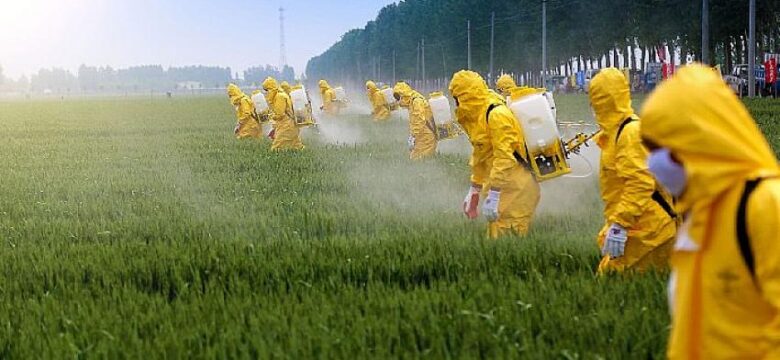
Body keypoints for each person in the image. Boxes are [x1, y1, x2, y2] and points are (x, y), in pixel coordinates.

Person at [640, 64, 780, 359]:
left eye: (661, 149)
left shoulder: (765, 205)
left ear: (698, 141)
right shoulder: (699, 216)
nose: (653, 163)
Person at [588, 68, 677, 273]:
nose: (592, 106)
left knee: (612, 286)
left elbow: (640, 183)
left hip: (650, 233)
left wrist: (620, 224)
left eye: (595, 100)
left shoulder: (630, 133)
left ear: (604, 101)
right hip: (640, 228)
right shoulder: (616, 133)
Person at [449, 70, 540, 238]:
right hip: (503, 186)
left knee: (508, 243)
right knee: (496, 240)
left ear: (467, 96)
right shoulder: (480, 116)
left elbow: (505, 157)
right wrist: (475, 188)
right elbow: (480, 153)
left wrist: (495, 193)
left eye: (456, 98)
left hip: (517, 189)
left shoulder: (496, 114)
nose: (455, 103)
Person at [393, 82, 437, 160]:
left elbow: (420, 120)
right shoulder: (411, 102)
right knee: (415, 159)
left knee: (422, 160)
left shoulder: (416, 101)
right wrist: (413, 135)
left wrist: (413, 136)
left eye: (398, 97)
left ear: (403, 94)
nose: (397, 101)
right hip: (421, 135)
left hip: (427, 136)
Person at [263, 77, 304, 150]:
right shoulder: (280, 95)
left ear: (271, 88)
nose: (266, 93)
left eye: (267, 90)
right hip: (290, 124)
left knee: (276, 147)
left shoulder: (279, 97)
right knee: (296, 146)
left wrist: (271, 117)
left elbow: (280, 114)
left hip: (286, 126)